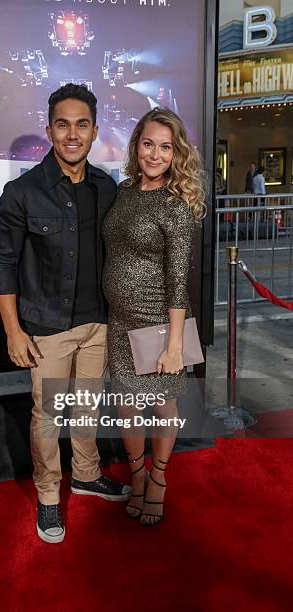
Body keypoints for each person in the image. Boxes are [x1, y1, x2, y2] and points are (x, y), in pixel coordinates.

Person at [0, 84, 130, 544]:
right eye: (63, 124)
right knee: (48, 417)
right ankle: (49, 496)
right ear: (49, 129)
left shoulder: (106, 187)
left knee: (87, 410)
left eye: (82, 124)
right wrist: (13, 331)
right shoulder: (22, 192)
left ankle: (86, 476)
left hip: (98, 325)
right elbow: (3, 264)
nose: (73, 134)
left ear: (94, 130)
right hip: (46, 328)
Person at [102, 108, 206, 526]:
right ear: (136, 145)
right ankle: (138, 476)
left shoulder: (175, 206)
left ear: (176, 153)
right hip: (119, 322)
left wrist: (175, 346)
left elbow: (179, 281)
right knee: (127, 407)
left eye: (166, 147)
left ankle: (159, 480)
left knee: (163, 407)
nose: (156, 154)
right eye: (149, 144)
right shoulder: (124, 190)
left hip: (159, 325)